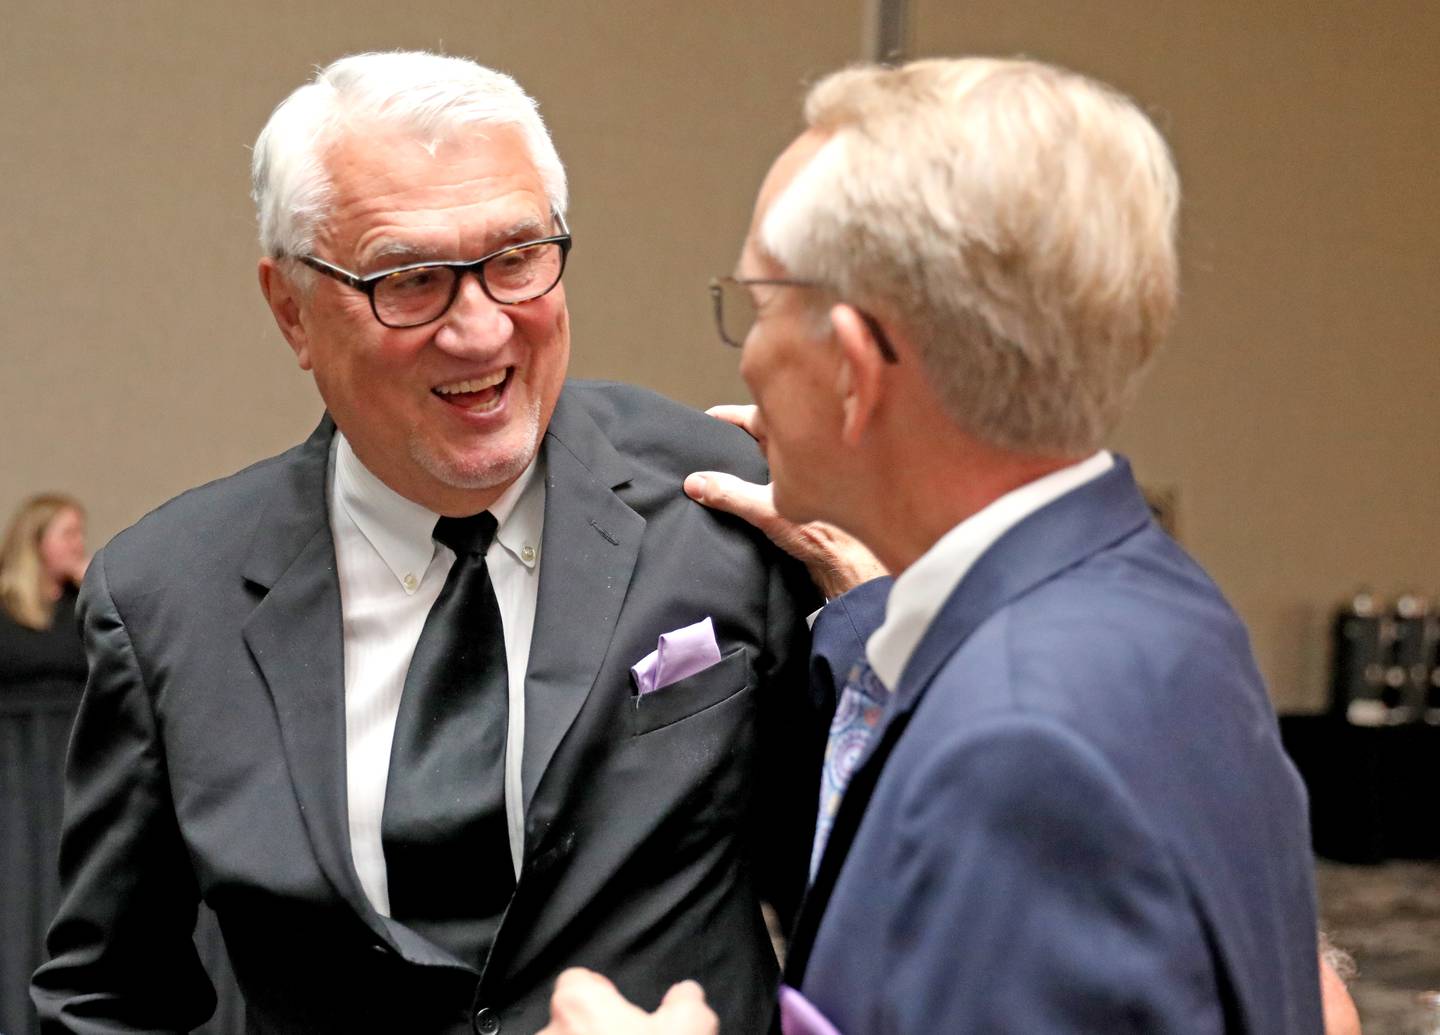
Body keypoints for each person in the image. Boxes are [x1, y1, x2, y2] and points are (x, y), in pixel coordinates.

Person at [31, 51, 843, 1035]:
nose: (479, 329)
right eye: (410, 280)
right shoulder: (167, 601)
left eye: (516, 259)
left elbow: (855, 906)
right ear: (291, 308)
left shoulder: (722, 499)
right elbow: (110, 1001)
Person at [539, 56, 1326, 1033]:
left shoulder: (1015, 753)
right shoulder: (1161, 605)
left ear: (857, 367)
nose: (746, 352)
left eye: (761, 304)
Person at [0, 493, 89, 695]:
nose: (79, 544)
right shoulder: (5, 606)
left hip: (72, 719)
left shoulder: (84, 601)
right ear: (35, 541)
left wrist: (96, 588)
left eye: (80, 534)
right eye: (69, 534)